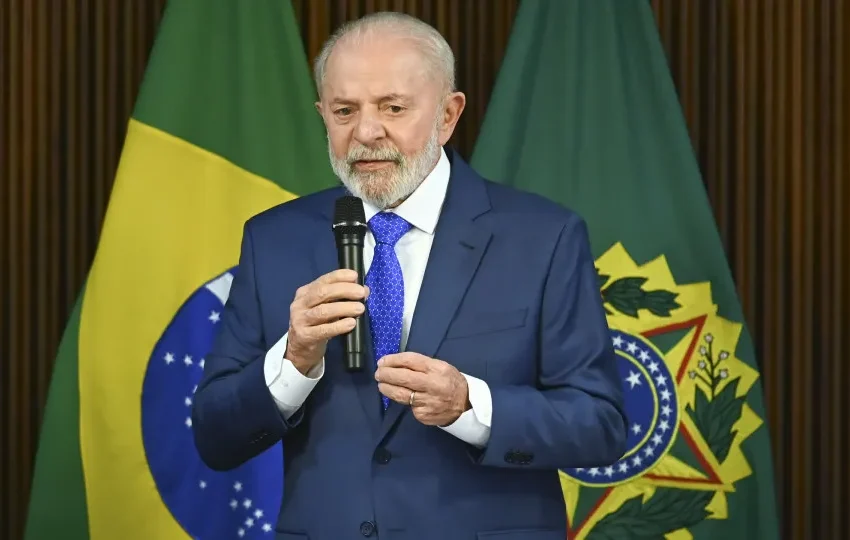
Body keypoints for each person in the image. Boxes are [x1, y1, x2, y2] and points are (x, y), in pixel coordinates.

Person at [192, 11, 627, 540]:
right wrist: (292, 362)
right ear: (323, 114)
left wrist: (469, 405)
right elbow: (215, 438)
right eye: (344, 110)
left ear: (448, 114)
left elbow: (600, 426)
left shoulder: (543, 237)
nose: (366, 132)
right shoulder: (274, 239)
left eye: (393, 108)